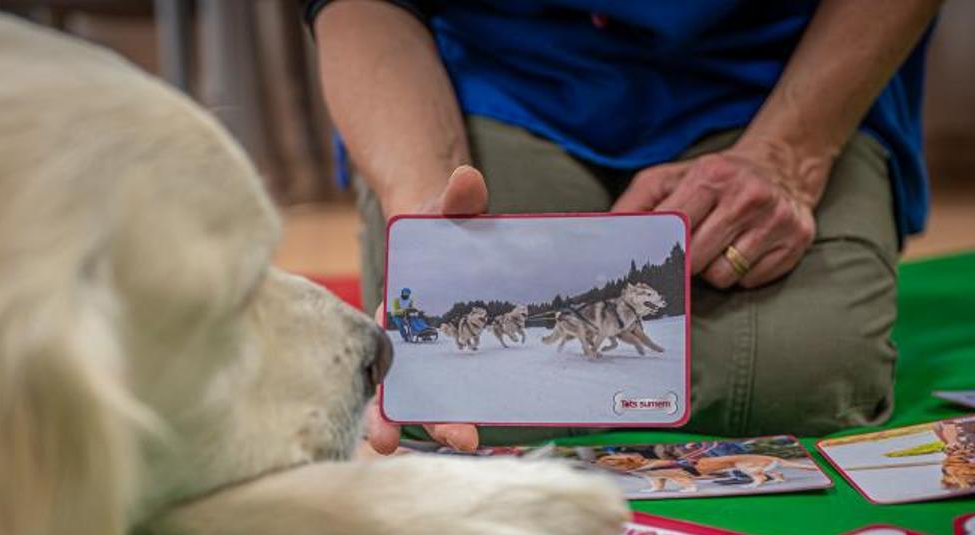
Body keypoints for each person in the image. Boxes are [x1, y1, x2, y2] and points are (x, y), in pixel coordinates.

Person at [303, 0, 941, 454]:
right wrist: (428, 216)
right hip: (495, 76)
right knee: (456, 394)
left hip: (771, 71)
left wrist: (788, 156)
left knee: (804, 376)